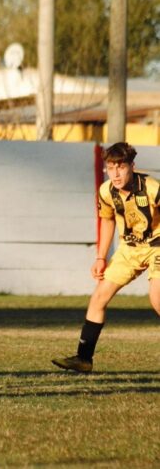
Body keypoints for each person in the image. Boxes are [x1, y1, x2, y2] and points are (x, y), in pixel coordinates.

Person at [53, 142, 160, 373]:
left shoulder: (151, 187)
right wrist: (101, 257)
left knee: (157, 298)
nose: (116, 173)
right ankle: (83, 359)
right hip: (129, 249)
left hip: (157, 246)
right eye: (111, 168)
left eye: (120, 167)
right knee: (99, 297)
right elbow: (108, 220)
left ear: (132, 166)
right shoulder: (106, 191)